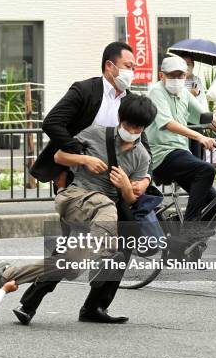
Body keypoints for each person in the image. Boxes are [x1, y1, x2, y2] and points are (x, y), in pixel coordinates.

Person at [16, 41, 154, 326]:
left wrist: (144, 180)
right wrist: (81, 155)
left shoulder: (130, 101)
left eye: (133, 68)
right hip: (81, 182)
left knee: (126, 240)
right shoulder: (85, 90)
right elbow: (52, 123)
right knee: (74, 245)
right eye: (128, 66)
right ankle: (30, 303)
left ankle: (95, 305)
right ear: (110, 66)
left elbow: (144, 145)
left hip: (116, 187)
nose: (132, 72)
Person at [146, 56, 216, 224]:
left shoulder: (184, 93)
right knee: (206, 169)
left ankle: (182, 240)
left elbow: (206, 117)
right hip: (162, 156)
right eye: (172, 75)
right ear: (162, 76)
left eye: (181, 75)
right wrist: (199, 136)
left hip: (181, 155)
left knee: (213, 202)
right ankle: (190, 227)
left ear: (185, 76)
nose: (177, 79)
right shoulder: (156, 92)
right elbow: (168, 123)